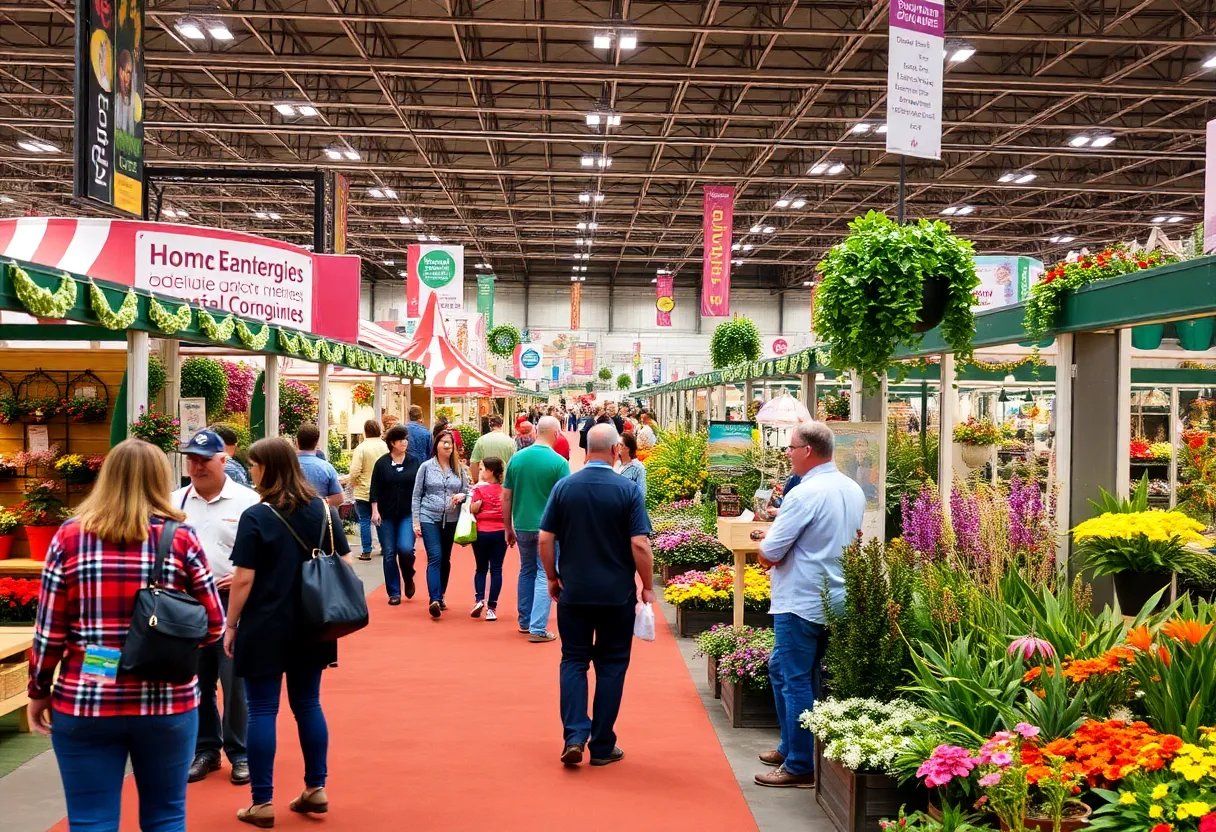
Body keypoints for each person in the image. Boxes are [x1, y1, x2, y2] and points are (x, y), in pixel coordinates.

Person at [28, 439, 225, 831]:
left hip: (88, 696)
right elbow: (214, 624)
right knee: (166, 816)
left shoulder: (69, 538)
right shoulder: (180, 539)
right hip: (167, 699)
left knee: (90, 819)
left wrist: (38, 691)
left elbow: (49, 630)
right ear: (159, 479)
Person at [224, 438, 351, 826]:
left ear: (270, 468)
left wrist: (230, 625)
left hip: (264, 623)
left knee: (262, 709)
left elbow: (243, 579)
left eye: (255, 464)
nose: (251, 471)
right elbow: (344, 561)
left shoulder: (256, 515)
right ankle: (316, 786)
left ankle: (262, 801)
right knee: (308, 704)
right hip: (314, 623)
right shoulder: (322, 512)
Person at [753, 422, 864, 789]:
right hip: (835, 596)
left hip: (800, 599)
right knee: (788, 671)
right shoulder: (851, 488)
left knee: (795, 677)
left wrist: (765, 549)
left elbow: (771, 552)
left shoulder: (805, 493)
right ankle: (791, 747)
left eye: (791, 447)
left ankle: (800, 764)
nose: (787, 453)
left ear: (808, 451)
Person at [540, 424, 655, 767]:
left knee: (573, 660)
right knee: (611, 665)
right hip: (616, 594)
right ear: (617, 449)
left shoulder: (564, 487)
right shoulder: (627, 490)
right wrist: (647, 586)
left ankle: (575, 734)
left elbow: (546, 539)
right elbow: (640, 543)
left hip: (573, 591)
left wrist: (551, 577)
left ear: (587, 449)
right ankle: (603, 744)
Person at [171, 429, 261, 787]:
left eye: (203, 459)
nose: (196, 466)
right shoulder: (174, 501)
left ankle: (239, 753)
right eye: (191, 459)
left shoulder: (248, 501)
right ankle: (205, 750)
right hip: (186, 604)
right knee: (196, 681)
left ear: (223, 460)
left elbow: (263, 554)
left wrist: (243, 577)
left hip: (232, 603)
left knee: (234, 678)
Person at [503, 415, 570, 643]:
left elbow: (506, 496)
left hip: (522, 523)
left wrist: (507, 526)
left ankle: (524, 620)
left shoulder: (517, 459)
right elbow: (566, 500)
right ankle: (538, 627)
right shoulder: (559, 463)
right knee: (546, 573)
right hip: (549, 529)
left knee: (527, 569)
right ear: (556, 434)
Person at [412, 427, 470, 619]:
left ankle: (441, 594)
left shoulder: (459, 469)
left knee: (445, 558)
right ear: (436, 445)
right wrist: (416, 521)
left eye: (450, 443)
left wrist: (462, 496)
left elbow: (468, 491)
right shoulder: (426, 467)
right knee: (435, 556)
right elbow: (417, 494)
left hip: (451, 519)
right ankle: (434, 599)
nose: (447, 445)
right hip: (429, 516)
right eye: (443, 442)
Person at [370, 423, 420, 605]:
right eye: (400, 440)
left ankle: (408, 575)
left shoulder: (414, 462)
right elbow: (374, 487)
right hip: (386, 513)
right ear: (392, 442)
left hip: (408, 512)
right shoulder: (382, 463)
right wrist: (374, 510)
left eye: (406, 439)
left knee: (406, 549)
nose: (404, 443)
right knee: (390, 553)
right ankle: (394, 592)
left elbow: (420, 487)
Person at [468, 456, 507, 620]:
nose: (481, 471)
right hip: (500, 531)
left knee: (481, 568)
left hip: (482, 532)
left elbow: (473, 508)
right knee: (496, 569)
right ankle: (492, 607)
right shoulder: (504, 489)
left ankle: (479, 599)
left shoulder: (478, 489)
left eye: (483, 468)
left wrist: (474, 507)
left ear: (490, 471)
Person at [347, 419, 389, 561]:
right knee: (380, 519)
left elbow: (354, 471)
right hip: (383, 490)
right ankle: (385, 546)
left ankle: (366, 551)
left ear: (365, 431)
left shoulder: (361, 448)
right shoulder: (386, 447)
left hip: (364, 489)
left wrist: (354, 482)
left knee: (364, 520)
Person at [295, 424, 344, 507]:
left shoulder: (286, 466)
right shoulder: (326, 468)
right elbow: (339, 498)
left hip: (290, 516)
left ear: (296, 442)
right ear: (317, 442)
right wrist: (321, 503)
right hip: (318, 517)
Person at [469, 414, 515, 484]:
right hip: (505, 483)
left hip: (486, 483)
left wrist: (476, 481)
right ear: (501, 424)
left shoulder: (481, 441)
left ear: (489, 426)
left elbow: (474, 463)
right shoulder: (510, 442)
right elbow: (514, 464)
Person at [617, 433, 647, 500]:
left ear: (627, 449)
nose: (617, 446)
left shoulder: (638, 468)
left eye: (620, 445)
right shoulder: (615, 464)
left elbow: (642, 494)